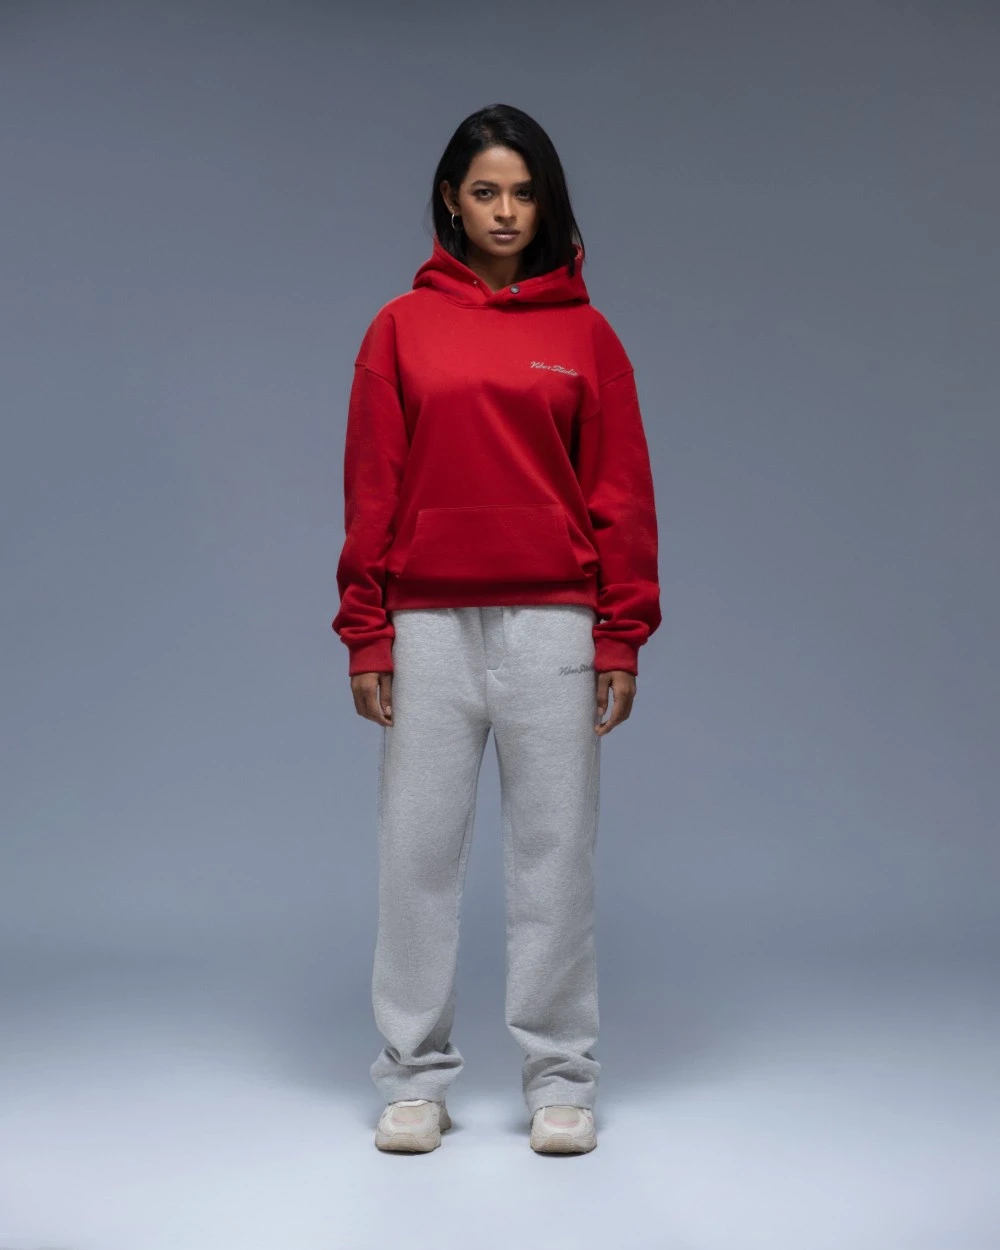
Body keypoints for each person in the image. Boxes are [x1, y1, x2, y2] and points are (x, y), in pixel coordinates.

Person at [332, 103, 661, 1155]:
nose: (506, 211)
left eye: (523, 193)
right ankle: (413, 1077)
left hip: (554, 625)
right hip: (426, 625)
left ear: (546, 203)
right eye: (485, 192)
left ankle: (561, 1076)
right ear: (451, 201)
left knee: (554, 860)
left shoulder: (586, 335)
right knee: (416, 857)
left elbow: (620, 496)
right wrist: (366, 632)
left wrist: (620, 636)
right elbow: (371, 489)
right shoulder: (398, 328)